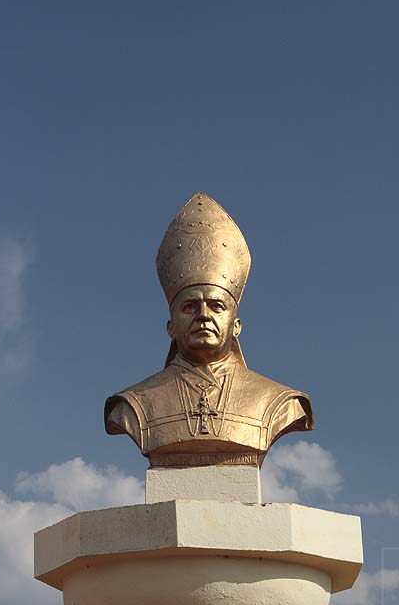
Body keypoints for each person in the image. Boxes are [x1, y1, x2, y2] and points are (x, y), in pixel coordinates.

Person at [105, 193, 313, 467]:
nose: (203, 315)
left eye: (216, 306)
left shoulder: (279, 402)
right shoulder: (133, 404)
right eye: (189, 307)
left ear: (236, 325)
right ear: (171, 327)